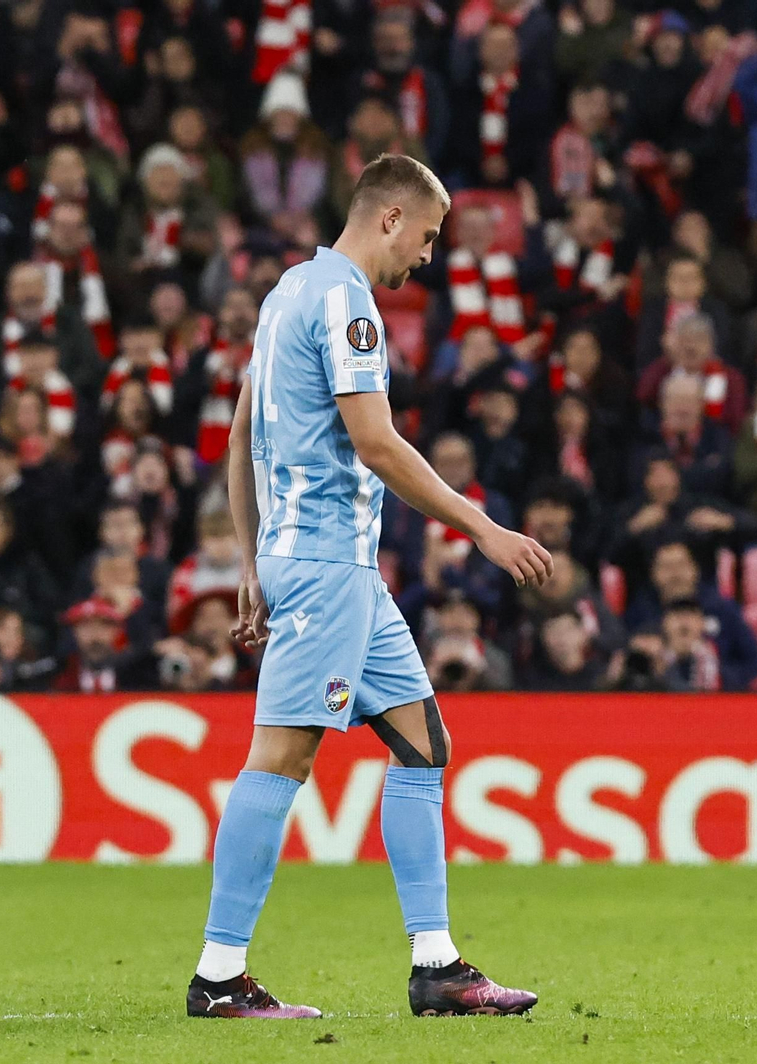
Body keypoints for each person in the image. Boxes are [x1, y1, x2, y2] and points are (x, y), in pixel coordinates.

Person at [190, 155, 551, 1022]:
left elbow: (241, 436)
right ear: (390, 218)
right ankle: (218, 976)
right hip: (325, 565)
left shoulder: (284, 294)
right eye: (426, 237)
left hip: (313, 561)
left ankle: (439, 968)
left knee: (424, 744)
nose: (426, 257)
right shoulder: (348, 300)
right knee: (281, 757)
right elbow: (378, 445)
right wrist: (484, 529)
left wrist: (250, 562)